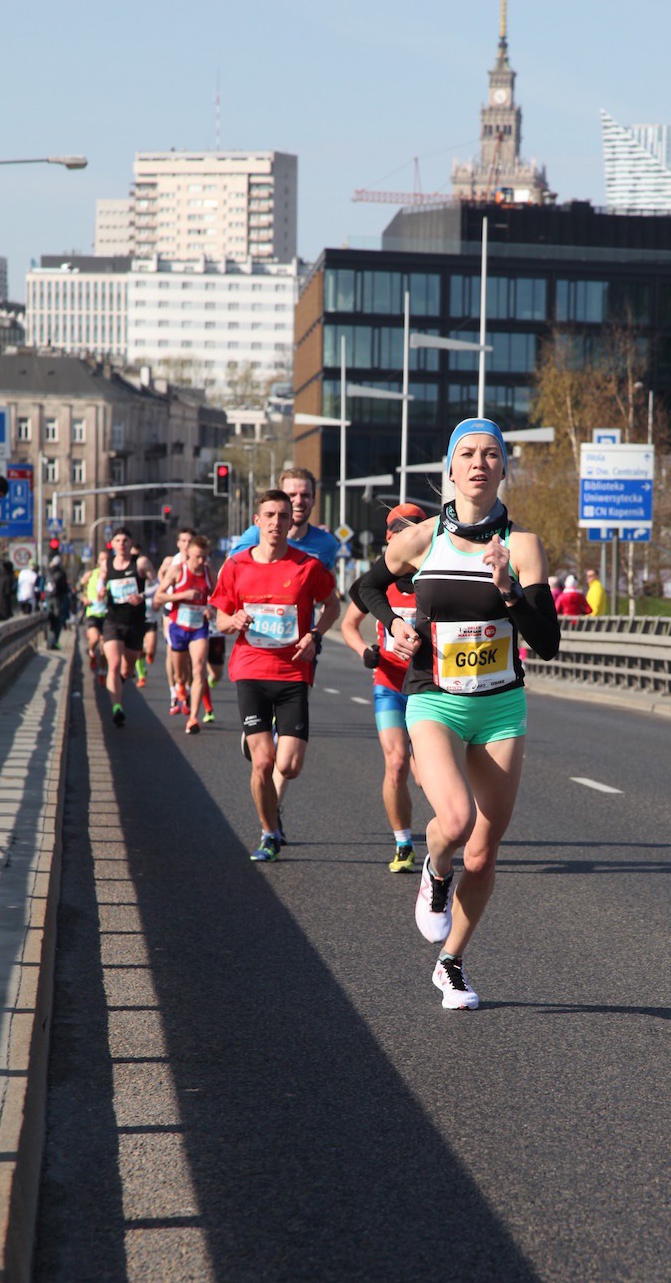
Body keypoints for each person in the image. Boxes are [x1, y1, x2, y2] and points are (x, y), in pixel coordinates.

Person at [357, 417, 560, 1010]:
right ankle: (435, 869)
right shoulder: (422, 540)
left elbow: (547, 643)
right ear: (450, 467)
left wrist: (508, 589)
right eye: (467, 454)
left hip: (501, 707)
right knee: (455, 819)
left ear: (503, 469)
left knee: (485, 850)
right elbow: (365, 587)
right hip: (435, 699)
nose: (479, 463)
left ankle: (451, 964)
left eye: (491, 454)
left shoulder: (523, 547)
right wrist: (393, 624)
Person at [210, 488, 340, 862]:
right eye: (269, 516)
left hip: (293, 672)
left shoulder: (307, 567)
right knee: (263, 763)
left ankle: (265, 739)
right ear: (257, 521)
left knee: (289, 767)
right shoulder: (236, 566)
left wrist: (315, 635)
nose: (276, 523)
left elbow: (332, 606)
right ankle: (269, 834)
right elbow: (220, 618)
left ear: (289, 521)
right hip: (250, 669)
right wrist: (234, 619)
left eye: (283, 516)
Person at [342, 503, 426, 873]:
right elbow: (349, 625)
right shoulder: (377, 581)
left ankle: (448, 831)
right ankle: (404, 844)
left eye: (415, 531)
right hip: (389, 683)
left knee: (425, 777)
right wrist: (366, 652)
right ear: (389, 538)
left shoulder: (435, 579)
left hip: (430, 689)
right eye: (400, 533)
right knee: (395, 763)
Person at [155, 533, 214, 735]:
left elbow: (218, 596)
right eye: (198, 557)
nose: (202, 561)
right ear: (188, 553)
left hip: (199, 627)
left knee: (199, 669)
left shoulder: (208, 572)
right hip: (178, 626)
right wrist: (182, 595)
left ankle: (193, 718)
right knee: (180, 674)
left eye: (205, 557)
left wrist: (211, 608)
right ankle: (181, 686)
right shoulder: (177, 570)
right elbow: (159, 596)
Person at [96, 529, 156, 727]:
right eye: (117, 540)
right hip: (113, 621)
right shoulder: (106, 564)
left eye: (125, 540)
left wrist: (142, 595)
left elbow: (157, 585)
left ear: (130, 543)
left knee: (127, 668)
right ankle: (117, 708)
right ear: (112, 544)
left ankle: (120, 682)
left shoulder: (140, 563)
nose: (121, 544)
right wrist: (100, 591)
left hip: (135, 623)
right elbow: (100, 583)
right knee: (113, 664)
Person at [230, 467, 339, 570]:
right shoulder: (257, 535)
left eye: (305, 495)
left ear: (313, 500)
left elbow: (329, 582)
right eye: (291, 495)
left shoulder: (326, 543)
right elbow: (228, 574)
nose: (299, 501)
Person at [44, 557, 70, 650]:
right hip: (58, 600)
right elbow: (64, 588)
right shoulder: (61, 573)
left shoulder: (48, 572)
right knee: (56, 621)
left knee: (49, 621)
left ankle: (49, 642)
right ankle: (54, 642)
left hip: (48, 599)